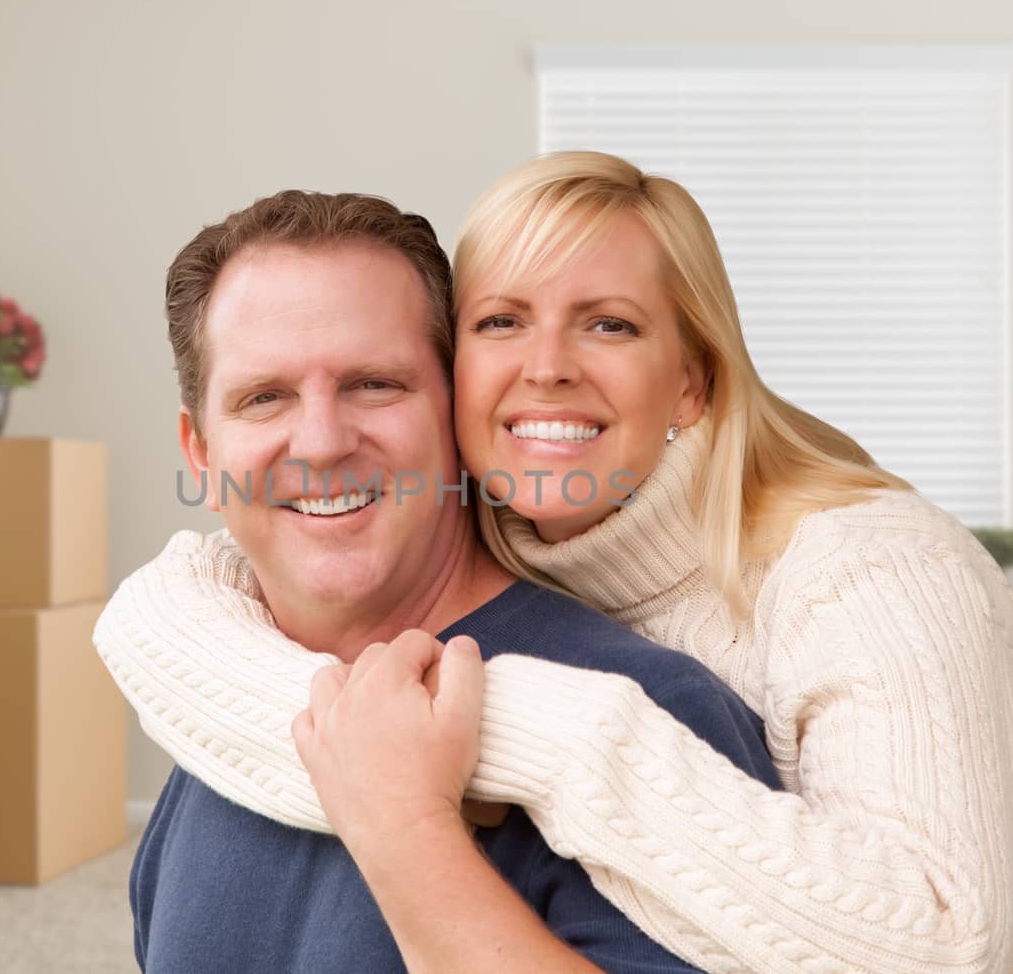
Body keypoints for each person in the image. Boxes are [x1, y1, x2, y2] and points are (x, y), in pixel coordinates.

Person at [95, 152, 1013, 973]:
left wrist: (488, 766)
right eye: (262, 397)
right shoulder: (242, 686)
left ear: (693, 381)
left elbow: (937, 945)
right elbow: (171, 613)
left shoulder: (851, 587)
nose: (547, 371)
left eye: (375, 384)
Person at [102, 189, 782, 973]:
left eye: (374, 384)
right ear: (200, 453)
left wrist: (410, 829)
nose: (321, 442)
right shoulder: (223, 711)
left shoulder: (651, 711)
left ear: (455, 409)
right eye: (265, 398)